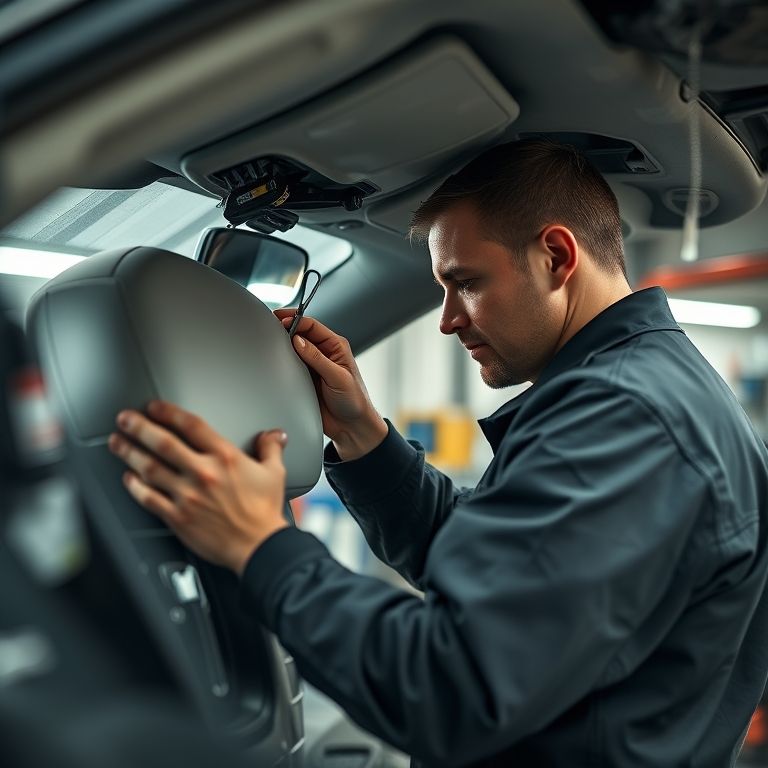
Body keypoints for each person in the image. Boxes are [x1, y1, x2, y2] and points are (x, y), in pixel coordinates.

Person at [108, 139, 768, 767]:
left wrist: (260, 547)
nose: (448, 318)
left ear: (557, 258)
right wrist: (363, 437)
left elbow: (450, 687)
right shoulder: (643, 391)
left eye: (466, 282)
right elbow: (523, 574)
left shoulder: (624, 419)